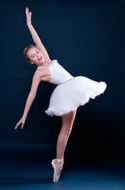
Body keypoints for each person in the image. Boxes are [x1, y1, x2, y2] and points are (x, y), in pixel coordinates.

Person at [14, 7, 107, 183]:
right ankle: (58, 162)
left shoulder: (47, 58)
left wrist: (29, 24)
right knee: (66, 130)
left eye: (38, 52)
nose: (38, 55)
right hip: (66, 91)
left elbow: (37, 39)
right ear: (31, 61)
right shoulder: (39, 73)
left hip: (73, 85)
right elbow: (31, 94)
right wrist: (24, 116)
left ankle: (58, 162)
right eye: (34, 56)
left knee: (68, 130)